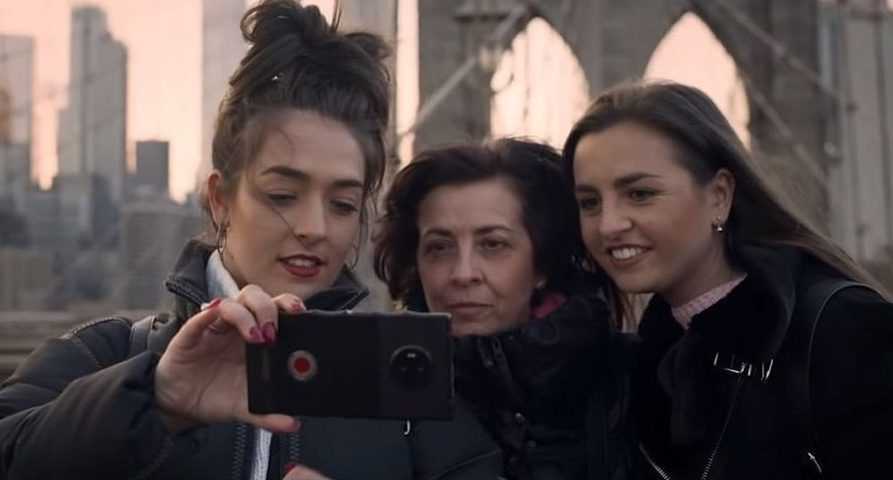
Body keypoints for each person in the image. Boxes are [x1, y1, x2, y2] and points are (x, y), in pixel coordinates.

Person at [0, 2, 502, 479]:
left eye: (343, 204)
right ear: (219, 199)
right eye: (283, 195)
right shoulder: (105, 355)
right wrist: (155, 399)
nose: (315, 228)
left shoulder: (412, 390)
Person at [562, 80, 893, 479]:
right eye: (589, 203)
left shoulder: (844, 330)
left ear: (719, 195)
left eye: (640, 194)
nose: (608, 225)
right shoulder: (639, 371)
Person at [374, 138, 638, 480]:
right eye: (439, 248)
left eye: (493, 244)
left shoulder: (627, 382)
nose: (463, 274)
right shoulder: (378, 386)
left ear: (542, 264)